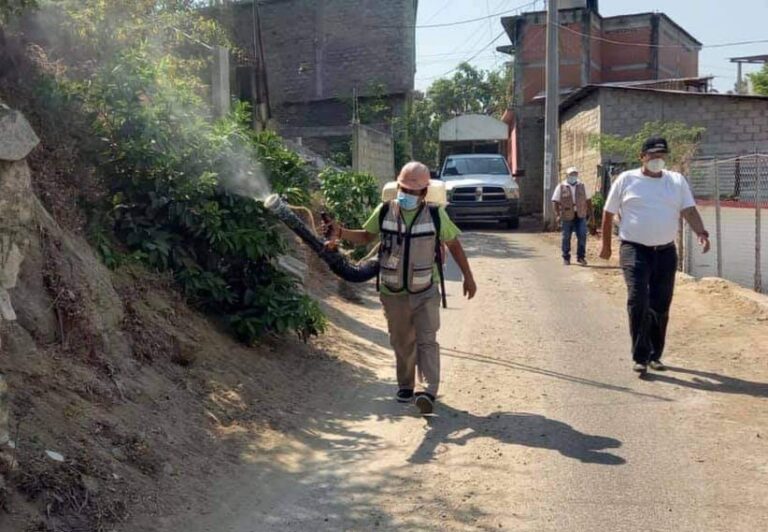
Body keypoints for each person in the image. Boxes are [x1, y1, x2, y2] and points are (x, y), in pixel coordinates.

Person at [324, 162, 476, 414]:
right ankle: (405, 385)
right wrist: (339, 232)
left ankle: (427, 390)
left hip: (426, 289)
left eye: (414, 191)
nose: (408, 195)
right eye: (404, 189)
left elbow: (454, 245)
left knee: (427, 340)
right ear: (398, 187)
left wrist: (468, 277)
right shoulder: (385, 211)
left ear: (425, 192)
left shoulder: (436, 215)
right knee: (402, 341)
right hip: (392, 292)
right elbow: (365, 236)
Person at [600, 137, 710, 374]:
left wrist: (701, 232)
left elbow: (688, 209)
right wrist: (606, 246)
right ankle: (640, 356)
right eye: (652, 156)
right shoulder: (626, 179)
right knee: (638, 299)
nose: (657, 160)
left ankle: (654, 355)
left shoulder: (676, 181)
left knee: (661, 303)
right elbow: (608, 213)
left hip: (665, 251)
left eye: (661, 156)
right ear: (642, 157)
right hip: (634, 249)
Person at [552, 166, 592, 266]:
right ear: (567, 175)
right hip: (567, 215)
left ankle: (581, 257)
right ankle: (566, 257)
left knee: (582, 235)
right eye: (571, 174)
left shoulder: (582, 185)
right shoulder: (561, 186)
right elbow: (555, 201)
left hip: (580, 214)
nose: (573, 176)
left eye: (575, 174)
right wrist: (557, 214)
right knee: (566, 237)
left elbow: (588, 200)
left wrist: (591, 214)